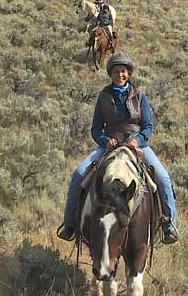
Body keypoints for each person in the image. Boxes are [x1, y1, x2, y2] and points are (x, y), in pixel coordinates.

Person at [57, 52, 179, 244]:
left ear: (128, 73)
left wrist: (138, 140)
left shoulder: (140, 97)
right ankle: (70, 223)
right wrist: (105, 140)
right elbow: (96, 129)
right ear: (111, 74)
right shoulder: (104, 96)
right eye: (115, 71)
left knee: (162, 177)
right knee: (79, 174)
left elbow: (148, 126)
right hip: (110, 145)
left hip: (136, 145)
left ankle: (169, 224)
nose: (119, 75)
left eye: (123, 71)